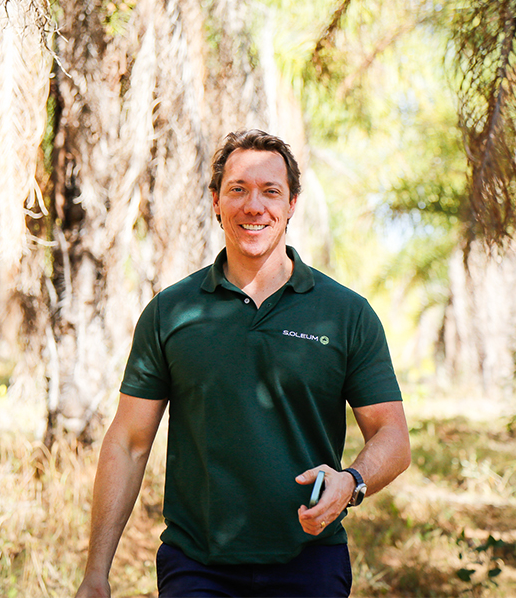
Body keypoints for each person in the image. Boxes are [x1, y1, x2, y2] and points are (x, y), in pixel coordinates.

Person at [74, 129, 411, 597]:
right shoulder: (171, 312)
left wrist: (351, 483)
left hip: (310, 562)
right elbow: (128, 443)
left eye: (271, 191)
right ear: (215, 201)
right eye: (238, 190)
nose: (255, 206)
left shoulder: (346, 313)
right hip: (197, 567)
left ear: (292, 203)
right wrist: (96, 573)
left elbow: (392, 436)